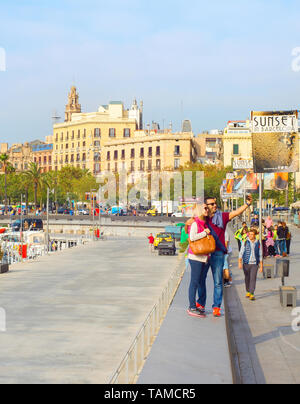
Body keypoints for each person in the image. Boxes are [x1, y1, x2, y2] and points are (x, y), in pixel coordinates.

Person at [202, 194, 253, 317]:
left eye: (215, 203)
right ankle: (200, 304)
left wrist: (247, 204)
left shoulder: (222, 217)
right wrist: (202, 212)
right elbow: (189, 224)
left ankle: (216, 307)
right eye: (212, 204)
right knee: (200, 280)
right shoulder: (202, 218)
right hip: (203, 253)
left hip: (218, 253)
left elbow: (235, 212)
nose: (215, 205)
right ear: (206, 206)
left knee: (218, 282)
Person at [186, 204, 211, 318]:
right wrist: (205, 232)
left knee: (200, 281)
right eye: (205, 208)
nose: (207, 210)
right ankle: (191, 306)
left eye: (207, 208)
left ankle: (198, 305)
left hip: (203, 257)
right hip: (195, 257)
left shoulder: (203, 223)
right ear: (200, 210)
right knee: (194, 282)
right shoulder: (196, 223)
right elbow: (192, 237)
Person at [239, 229, 263, 301]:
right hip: (246, 263)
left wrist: (261, 266)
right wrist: (239, 262)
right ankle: (248, 291)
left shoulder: (258, 243)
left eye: (252, 234)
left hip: (254, 264)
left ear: (255, 235)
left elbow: (260, 254)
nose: (250, 236)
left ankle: (252, 293)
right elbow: (241, 252)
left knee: (253, 278)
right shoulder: (245, 242)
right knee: (247, 278)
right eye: (249, 234)